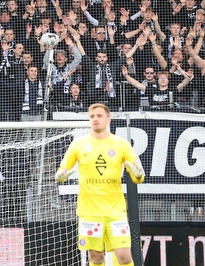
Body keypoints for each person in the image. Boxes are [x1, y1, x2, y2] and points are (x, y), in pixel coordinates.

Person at [55, 103, 145, 266]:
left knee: (124, 256)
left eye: (99, 116)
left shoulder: (121, 144)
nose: (95, 119)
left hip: (116, 212)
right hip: (89, 213)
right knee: (96, 258)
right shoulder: (79, 144)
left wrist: (138, 175)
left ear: (108, 119)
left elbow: (139, 175)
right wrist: (61, 176)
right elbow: (60, 173)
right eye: (92, 116)